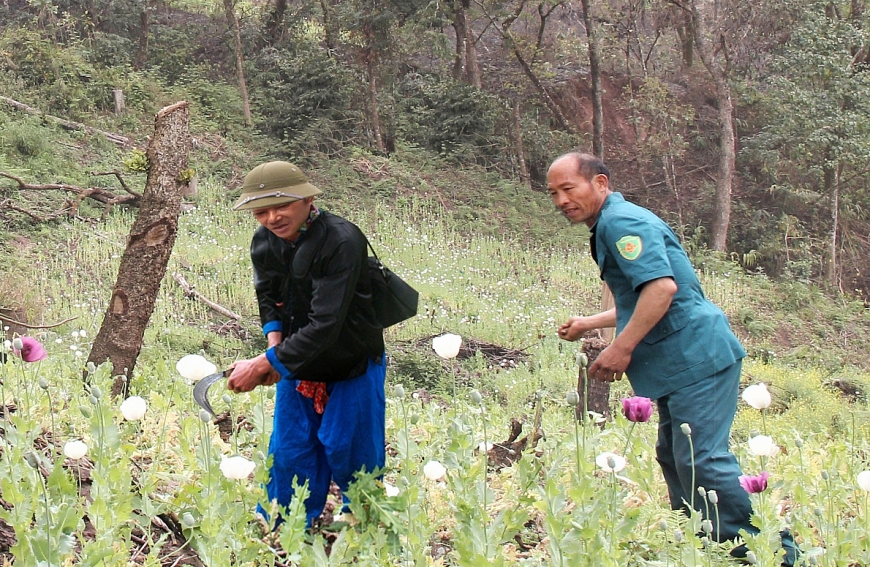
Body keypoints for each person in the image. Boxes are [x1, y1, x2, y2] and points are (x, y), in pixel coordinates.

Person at [548, 152, 796, 565]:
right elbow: (643, 296)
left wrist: (620, 347)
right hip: (680, 362)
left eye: (568, 189)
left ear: (600, 184)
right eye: (554, 193)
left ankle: (776, 553)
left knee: (702, 461)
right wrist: (590, 322)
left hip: (696, 356)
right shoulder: (612, 222)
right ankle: (709, 546)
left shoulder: (622, 223)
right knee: (676, 458)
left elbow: (661, 290)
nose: (561, 200)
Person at [226, 160, 386, 527]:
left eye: (282, 205)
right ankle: (285, 525)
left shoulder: (341, 240)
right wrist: (274, 347)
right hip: (297, 360)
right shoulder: (265, 240)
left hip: (352, 359)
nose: (272, 218)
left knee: (351, 447)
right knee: (291, 449)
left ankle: (365, 524)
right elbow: (268, 295)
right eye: (261, 211)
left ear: (308, 199)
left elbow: (326, 324)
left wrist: (266, 363)